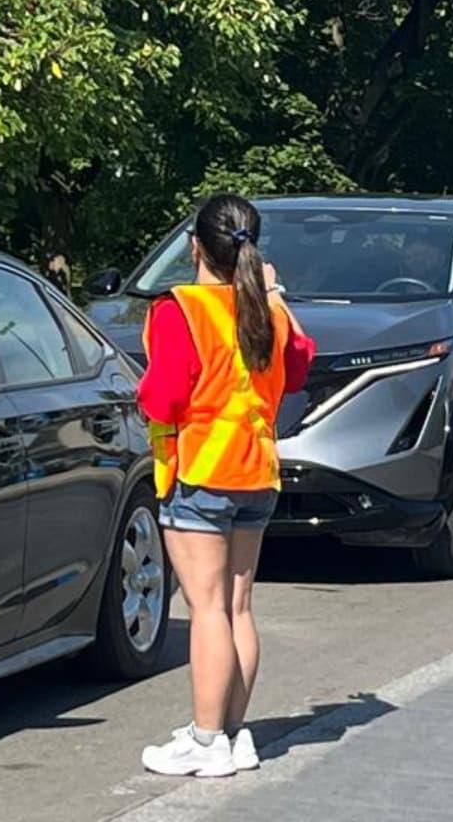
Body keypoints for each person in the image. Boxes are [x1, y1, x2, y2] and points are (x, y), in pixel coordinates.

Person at [137, 195, 315, 778]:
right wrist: (274, 292)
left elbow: (163, 397)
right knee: (238, 606)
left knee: (206, 607)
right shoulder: (267, 308)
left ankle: (207, 737)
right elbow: (301, 363)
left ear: (195, 246)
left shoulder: (180, 310)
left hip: (202, 473)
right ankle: (235, 732)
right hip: (258, 471)